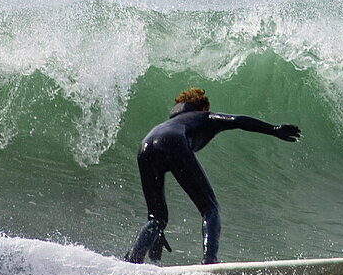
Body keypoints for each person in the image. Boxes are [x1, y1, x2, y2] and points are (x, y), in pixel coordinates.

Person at [125, 87, 300, 265]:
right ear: (203, 108)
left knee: (157, 218)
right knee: (210, 209)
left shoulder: (166, 124)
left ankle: (134, 258)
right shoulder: (205, 117)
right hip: (172, 142)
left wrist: (155, 234)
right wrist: (274, 129)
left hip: (145, 147)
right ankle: (209, 261)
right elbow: (237, 120)